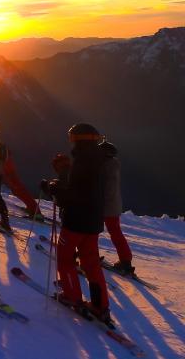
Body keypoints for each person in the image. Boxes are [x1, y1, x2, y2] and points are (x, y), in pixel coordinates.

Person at [44, 123, 111, 322]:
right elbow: (83, 188)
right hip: (93, 221)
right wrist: (64, 176)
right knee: (91, 264)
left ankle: (72, 297)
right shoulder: (98, 160)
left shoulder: (82, 161)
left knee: (65, 259)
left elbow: (74, 194)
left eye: (71, 136)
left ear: (79, 139)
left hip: (76, 221)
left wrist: (53, 189)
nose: (70, 140)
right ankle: (101, 306)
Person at [100, 140, 134, 274]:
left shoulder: (105, 167)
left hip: (105, 206)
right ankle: (126, 260)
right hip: (113, 205)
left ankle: (89, 254)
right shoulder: (113, 165)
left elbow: (106, 189)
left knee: (91, 231)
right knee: (116, 232)